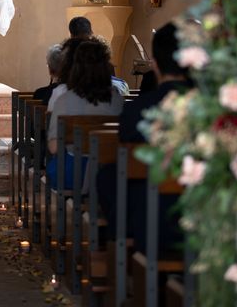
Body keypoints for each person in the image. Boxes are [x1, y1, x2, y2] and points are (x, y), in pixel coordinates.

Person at [97, 22, 190, 253]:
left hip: (153, 229)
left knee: (108, 175)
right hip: (206, 229)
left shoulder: (136, 111)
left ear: (155, 66)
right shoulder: (213, 112)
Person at [46, 39, 124, 189]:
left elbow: (54, 147)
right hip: (109, 172)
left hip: (74, 172)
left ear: (74, 67)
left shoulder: (64, 100)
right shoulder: (117, 99)